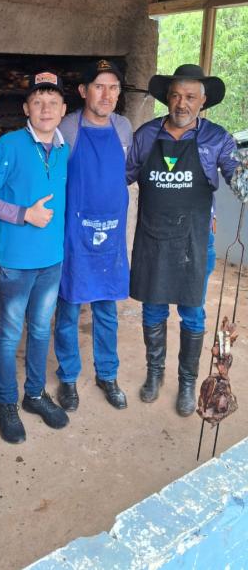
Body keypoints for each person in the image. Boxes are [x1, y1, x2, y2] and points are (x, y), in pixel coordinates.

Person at [127, 64, 242, 416]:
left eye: (190, 97)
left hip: (193, 241)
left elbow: (239, 179)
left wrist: (245, 178)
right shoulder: (146, 135)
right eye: (176, 95)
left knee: (193, 313)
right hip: (151, 237)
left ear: (203, 101)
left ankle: (188, 382)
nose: (182, 103)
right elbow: (123, 175)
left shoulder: (217, 139)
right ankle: (154, 374)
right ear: (167, 98)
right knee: (153, 308)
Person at [0, 72, 70, 444]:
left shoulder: (65, 148)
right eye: (38, 102)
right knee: (8, 332)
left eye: (53, 102)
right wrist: (24, 215)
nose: (46, 109)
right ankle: (6, 402)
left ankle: (34, 395)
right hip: (15, 260)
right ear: (26, 108)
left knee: (39, 329)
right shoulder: (9, 145)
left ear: (64, 109)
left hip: (52, 259)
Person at [54, 59, 132, 412]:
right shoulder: (67, 128)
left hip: (111, 233)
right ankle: (68, 376)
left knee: (106, 307)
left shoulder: (124, 128)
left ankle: (107, 374)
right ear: (84, 91)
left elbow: (125, 174)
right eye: (99, 86)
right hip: (74, 233)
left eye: (113, 87)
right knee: (69, 308)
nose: (107, 94)